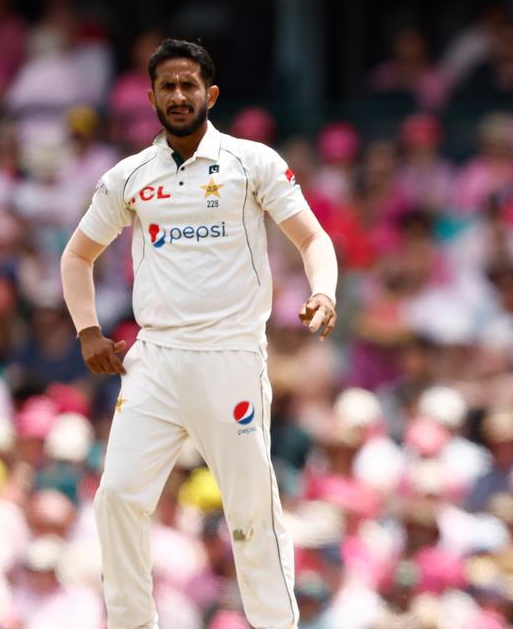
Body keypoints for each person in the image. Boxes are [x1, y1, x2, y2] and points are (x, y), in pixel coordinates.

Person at [60, 38, 338, 629]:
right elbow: (76, 256)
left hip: (230, 357)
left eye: (189, 85)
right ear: (152, 96)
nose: (179, 96)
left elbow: (313, 239)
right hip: (155, 358)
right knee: (118, 498)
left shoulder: (251, 162)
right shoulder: (129, 176)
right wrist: (87, 331)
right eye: (167, 86)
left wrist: (324, 290)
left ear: (210, 94)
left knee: (249, 513)